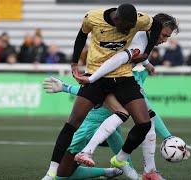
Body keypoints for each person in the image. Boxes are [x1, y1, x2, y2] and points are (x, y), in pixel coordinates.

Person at [46, 3, 163, 180]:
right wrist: (74, 62)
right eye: (124, 28)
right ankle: (51, 172)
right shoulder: (92, 17)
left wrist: (146, 54)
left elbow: (157, 25)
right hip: (96, 77)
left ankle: (121, 160)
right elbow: (81, 35)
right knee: (72, 123)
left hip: (123, 78)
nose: (126, 32)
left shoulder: (140, 19)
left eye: (130, 29)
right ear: (116, 19)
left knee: (144, 123)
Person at [71, 13, 180, 180]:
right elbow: (119, 58)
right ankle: (64, 166)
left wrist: (146, 63)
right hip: (106, 80)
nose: (165, 39)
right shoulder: (138, 41)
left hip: (115, 80)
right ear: (155, 28)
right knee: (66, 164)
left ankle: (145, 171)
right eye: (164, 34)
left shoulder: (145, 38)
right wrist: (91, 79)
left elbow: (136, 55)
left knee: (143, 118)